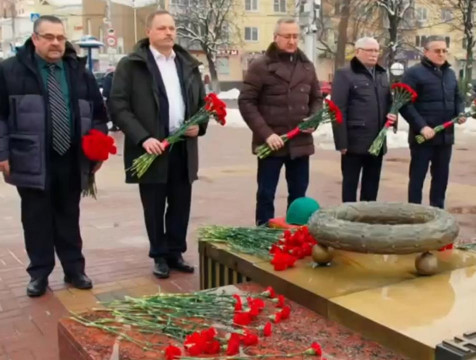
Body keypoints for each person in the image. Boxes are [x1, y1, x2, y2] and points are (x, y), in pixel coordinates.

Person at [0, 16, 108, 297]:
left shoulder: (78, 71)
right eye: (49, 37)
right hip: (31, 158)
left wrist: (96, 143)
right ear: (35, 39)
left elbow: (98, 114)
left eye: (60, 37)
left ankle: (74, 270)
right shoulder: (10, 71)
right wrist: (2, 153)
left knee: (69, 217)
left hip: (70, 159)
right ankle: (39, 273)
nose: (56, 43)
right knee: (36, 219)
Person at [109, 10, 206, 279]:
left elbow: (201, 102)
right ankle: (159, 255)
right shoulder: (132, 65)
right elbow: (118, 105)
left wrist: (200, 125)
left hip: (183, 146)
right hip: (151, 148)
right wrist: (143, 137)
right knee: (153, 204)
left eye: (172, 28)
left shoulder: (187, 65)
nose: (169, 33)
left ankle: (175, 251)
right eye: (162, 28)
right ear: (149, 33)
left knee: (180, 203)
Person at [238, 17, 322, 226]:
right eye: (287, 36)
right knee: (266, 194)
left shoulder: (307, 67)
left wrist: (314, 118)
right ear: (276, 37)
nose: (292, 41)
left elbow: (317, 99)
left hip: (300, 143)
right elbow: (246, 102)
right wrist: (267, 134)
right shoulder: (260, 66)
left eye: (295, 36)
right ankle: (264, 235)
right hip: (271, 143)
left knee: (299, 196)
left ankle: (294, 237)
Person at [400, 36, 465, 209]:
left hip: (445, 137)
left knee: (441, 177)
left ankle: (438, 211)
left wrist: (460, 112)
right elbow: (404, 104)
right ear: (426, 52)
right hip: (423, 137)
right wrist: (422, 126)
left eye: (444, 51)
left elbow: (458, 97)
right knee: (418, 177)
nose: (441, 54)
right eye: (437, 51)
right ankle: (413, 212)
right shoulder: (414, 73)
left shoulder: (450, 74)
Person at [331, 37, 396, 203]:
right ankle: (349, 219)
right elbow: (337, 110)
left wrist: (393, 117)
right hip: (354, 142)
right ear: (358, 51)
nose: (374, 54)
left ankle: (369, 219)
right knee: (350, 185)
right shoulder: (345, 74)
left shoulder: (382, 74)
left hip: (377, 140)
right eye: (370, 50)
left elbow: (389, 102)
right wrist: (342, 142)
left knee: (372, 185)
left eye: (376, 50)